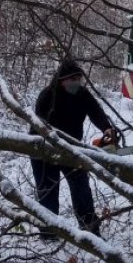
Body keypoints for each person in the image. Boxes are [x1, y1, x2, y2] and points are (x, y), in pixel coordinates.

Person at [31, 59, 118, 237]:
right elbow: (39, 123)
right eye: (72, 80)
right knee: (47, 192)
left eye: (78, 79)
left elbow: (96, 111)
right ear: (62, 80)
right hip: (44, 149)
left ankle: (90, 230)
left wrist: (106, 128)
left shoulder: (82, 94)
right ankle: (49, 233)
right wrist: (50, 141)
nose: (75, 83)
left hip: (72, 149)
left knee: (81, 189)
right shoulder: (48, 95)